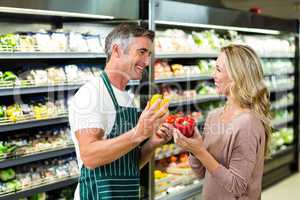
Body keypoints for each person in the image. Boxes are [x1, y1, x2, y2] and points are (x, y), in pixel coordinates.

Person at [69, 23, 173, 200]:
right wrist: (138, 133)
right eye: (141, 52)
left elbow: (128, 165)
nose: (147, 62)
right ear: (117, 50)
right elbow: (90, 156)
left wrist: (152, 143)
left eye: (149, 55)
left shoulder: (127, 98)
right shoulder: (92, 94)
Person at [173, 44, 271, 200]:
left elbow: (237, 186)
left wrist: (200, 151)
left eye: (218, 69)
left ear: (237, 76)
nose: (214, 75)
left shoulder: (248, 124)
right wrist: (192, 147)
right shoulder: (214, 116)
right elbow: (203, 175)